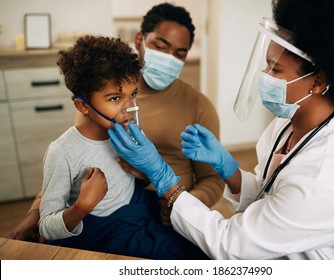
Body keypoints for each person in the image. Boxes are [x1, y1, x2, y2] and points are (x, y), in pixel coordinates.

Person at [108, 0, 334, 259]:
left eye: (275, 70)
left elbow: (229, 244)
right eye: (266, 65)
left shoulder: (323, 183)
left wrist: (161, 175)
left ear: (318, 82)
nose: (264, 77)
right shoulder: (291, 123)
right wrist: (228, 168)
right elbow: (271, 195)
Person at [8, 2, 225, 245]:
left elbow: (214, 180)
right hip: (109, 218)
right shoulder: (99, 102)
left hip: (167, 205)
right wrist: (35, 212)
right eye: (160, 46)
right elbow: (71, 166)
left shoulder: (199, 106)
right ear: (141, 39)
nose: (169, 59)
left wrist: (184, 204)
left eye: (180, 54)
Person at [38, 35, 207, 260]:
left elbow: (139, 178)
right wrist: (82, 206)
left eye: (133, 95)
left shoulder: (130, 131)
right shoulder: (62, 152)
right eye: (115, 98)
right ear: (83, 105)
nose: (129, 108)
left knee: (199, 247)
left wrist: (143, 177)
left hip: (138, 207)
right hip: (101, 229)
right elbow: (46, 227)